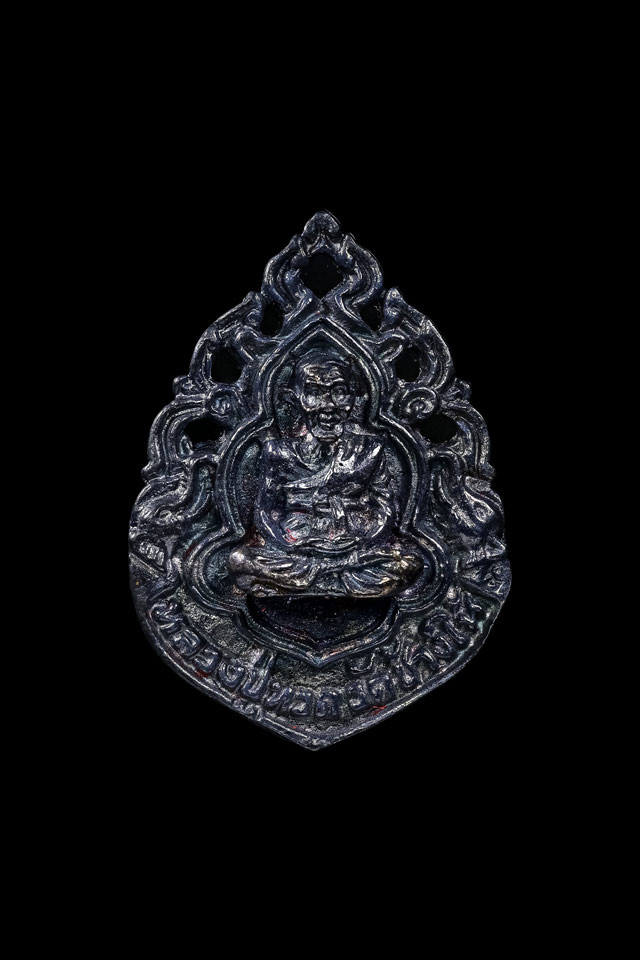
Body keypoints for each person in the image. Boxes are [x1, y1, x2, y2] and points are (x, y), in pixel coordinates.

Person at [229, 350, 422, 597]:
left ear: (353, 398)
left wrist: (360, 540)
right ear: (294, 399)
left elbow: (384, 507)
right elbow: (266, 511)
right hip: (299, 548)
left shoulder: (370, 450)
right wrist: (292, 543)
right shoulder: (278, 452)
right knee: (239, 560)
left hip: (354, 546)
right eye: (314, 393)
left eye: (339, 392)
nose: (328, 406)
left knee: (409, 563)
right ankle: (331, 578)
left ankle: (308, 582)